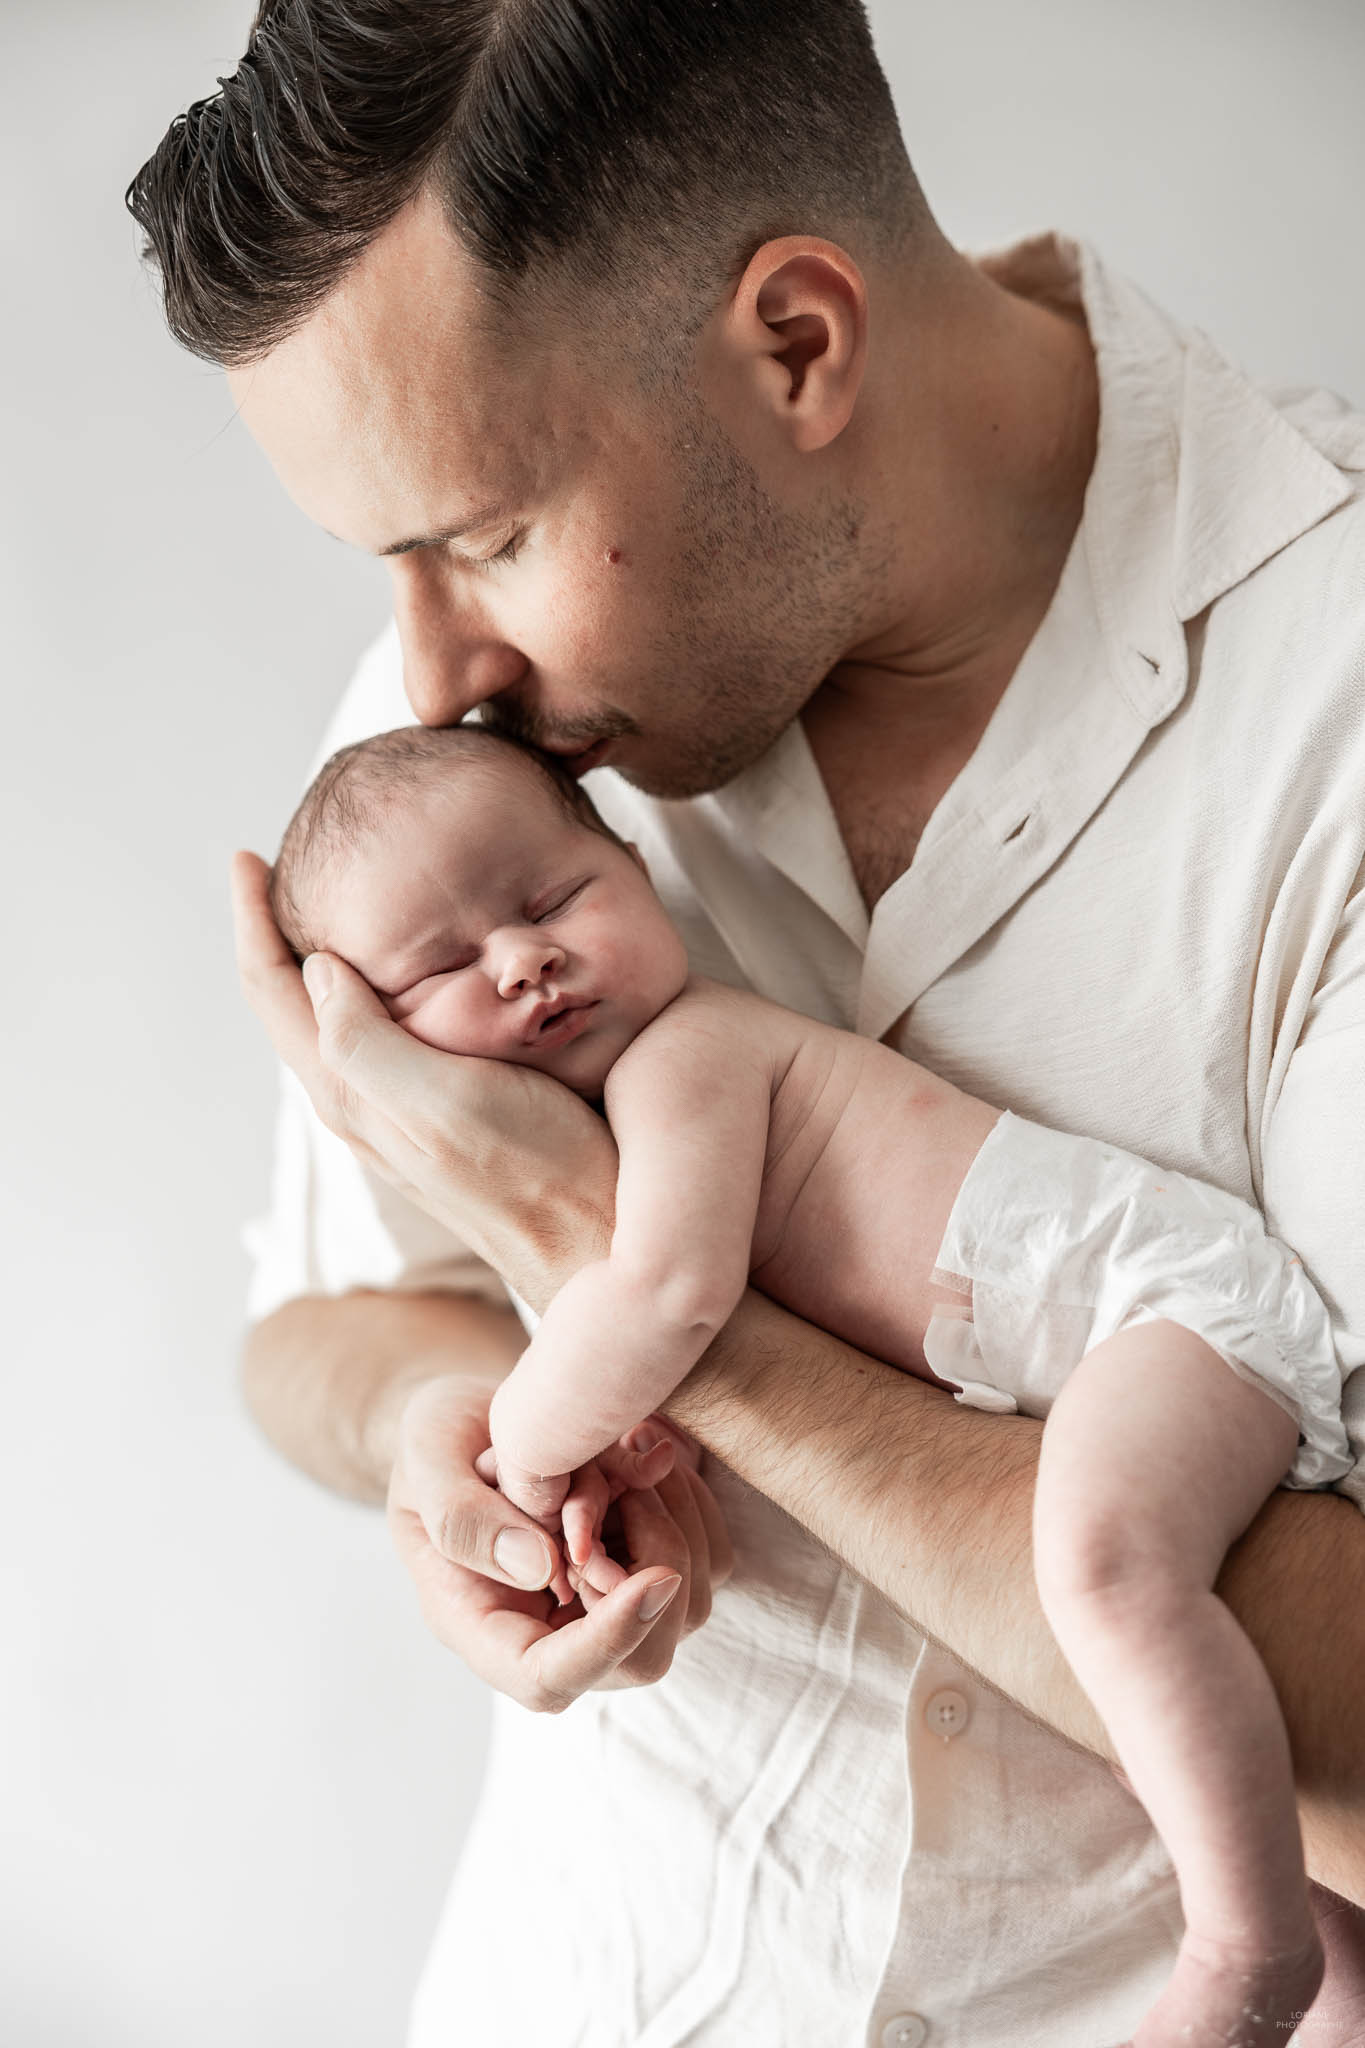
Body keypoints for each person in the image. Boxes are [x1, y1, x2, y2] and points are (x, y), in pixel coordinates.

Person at [128, 2, 1365, 2041]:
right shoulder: (466, 758)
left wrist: (592, 1259)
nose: (427, 664)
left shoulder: (1326, 728)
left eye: (481, 537)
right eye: (390, 565)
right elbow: (316, 1332)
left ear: (796, 345)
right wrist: (449, 1451)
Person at [270, 714, 1360, 2041]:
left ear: (635, 862)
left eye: (555, 899)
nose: (523, 958)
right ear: (365, 1035)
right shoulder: (599, 1109)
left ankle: (1248, 1952)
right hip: (1111, 1345)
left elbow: (666, 1298)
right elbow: (313, 1329)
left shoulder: (691, 1057)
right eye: (442, 968)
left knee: (1101, 1569)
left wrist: (531, 1446)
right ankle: (1331, 1942)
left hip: (1167, 1313)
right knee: (1107, 1661)